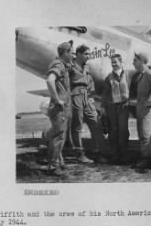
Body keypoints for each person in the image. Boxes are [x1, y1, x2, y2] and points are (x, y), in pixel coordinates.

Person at [70, 44, 108, 163]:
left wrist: (91, 96)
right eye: (86, 54)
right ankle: (80, 154)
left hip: (88, 96)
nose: (88, 56)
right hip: (75, 95)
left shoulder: (87, 67)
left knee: (95, 123)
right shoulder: (70, 66)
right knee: (77, 126)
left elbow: (90, 81)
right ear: (79, 54)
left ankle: (100, 152)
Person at [45, 41, 73, 176]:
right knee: (58, 136)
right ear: (65, 52)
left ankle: (59, 162)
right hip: (59, 108)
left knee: (59, 136)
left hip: (62, 108)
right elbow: (50, 80)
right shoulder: (58, 65)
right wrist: (57, 99)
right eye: (71, 52)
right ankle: (53, 166)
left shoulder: (63, 65)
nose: (73, 54)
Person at [131, 52, 151, 169]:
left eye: (135, 60)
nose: (133, 63)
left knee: (146, 135)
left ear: (142, 61)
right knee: (141, 135)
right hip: (141, 109)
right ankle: (144, 158)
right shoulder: (141, 75)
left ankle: (149, 160)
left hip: (147, 110)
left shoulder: (149, 73)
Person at [101, 54, 131, 164]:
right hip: (112, 107)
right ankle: (114, 156)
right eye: (112, 62)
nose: (113, 64)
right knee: (113, 131)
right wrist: (104, 108)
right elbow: (105, 94)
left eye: (115, 62)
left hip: (124, 106)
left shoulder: (128, 74)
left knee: (123, 131)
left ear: (121, 62)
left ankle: (124, 156)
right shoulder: (108, 77)